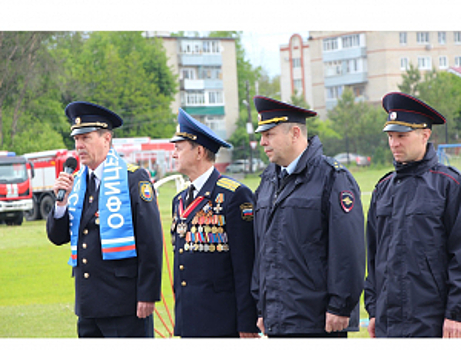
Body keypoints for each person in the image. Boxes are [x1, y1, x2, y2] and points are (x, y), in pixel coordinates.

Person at [46, 101, 163, 337]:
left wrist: (148, 294)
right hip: (88, 305)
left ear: (106, 139)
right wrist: (61, 204)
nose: (79, 145)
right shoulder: (77, 182)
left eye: (86, 138)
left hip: (124, 302)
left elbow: (150, 239)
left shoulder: (132, 179)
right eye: (76, 139)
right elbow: (58, 237)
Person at [251, 95, 365, 337]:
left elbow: (348, 249)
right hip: (276, 318)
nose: (262, 142)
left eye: (269, 134)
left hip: (318, 320)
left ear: (294, 133)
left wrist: (340, 306)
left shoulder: (332, 178)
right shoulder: (267, 182)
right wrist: (261, 306)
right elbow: (261, 251)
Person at [365, 92, 461, 338]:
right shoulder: (383, 189)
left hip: (432, 322)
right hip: (388, 321)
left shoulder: (450, 185)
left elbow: (459, 256)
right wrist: (374, 309)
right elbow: (374, 258)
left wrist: (455, 313)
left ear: (425, 135)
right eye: (390, 136)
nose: (394, 144)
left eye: (402, 136)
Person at [170, 108, 259, 338]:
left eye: (178, 148)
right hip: (189, 319)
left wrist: (247, 322)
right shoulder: (179, 200)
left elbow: (245, 266)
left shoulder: (234, 195)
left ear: (199, 151)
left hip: (222, 321)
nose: (173, 154)